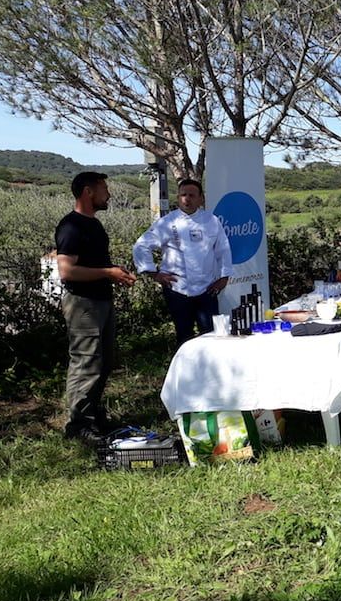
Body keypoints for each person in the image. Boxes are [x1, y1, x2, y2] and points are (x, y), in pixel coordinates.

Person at [55, 172, 137, 443]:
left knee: (103, 362)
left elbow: (97, 266)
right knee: (86, 363)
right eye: (104, 189)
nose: (109, 194)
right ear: (88, 192)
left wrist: (114, 273)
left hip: (101, 301)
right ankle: (78, 426)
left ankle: (93, 416)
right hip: (83, 305)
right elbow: (67, 271)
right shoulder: (71, 226)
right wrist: (107, 273)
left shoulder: (94, 225)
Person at [133, 179, 232, 345]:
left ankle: (209, 369)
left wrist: (224, 277)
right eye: (183, 195)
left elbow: (223, 250)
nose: (187, 199)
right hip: (178, 290)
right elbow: (141, 246)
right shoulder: (167, 222)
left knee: (211, 336)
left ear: (201, 198)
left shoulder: (212, 221)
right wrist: (154, 273)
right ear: (178, 198)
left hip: (207, 289)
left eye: (192, 195)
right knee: (184, 336)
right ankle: (185, 369)